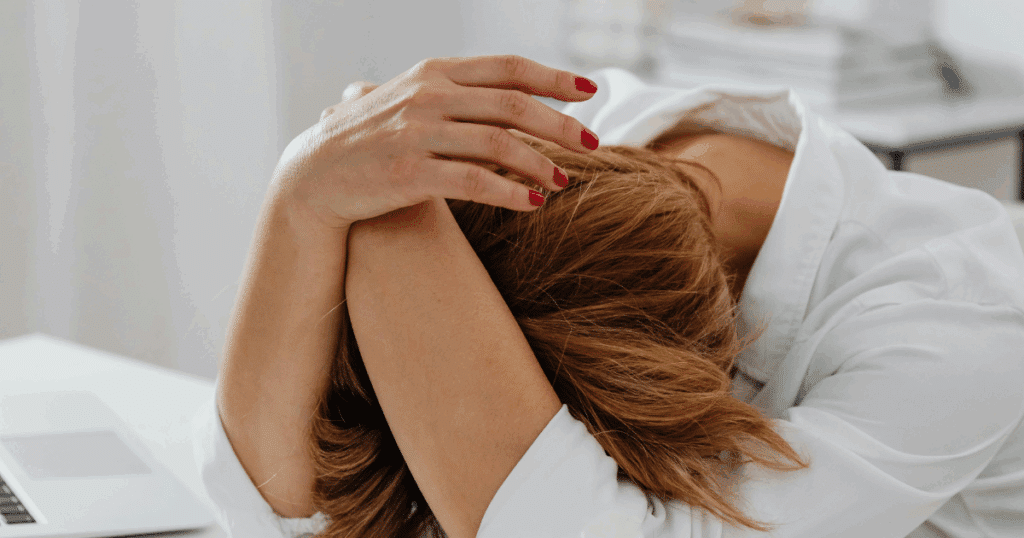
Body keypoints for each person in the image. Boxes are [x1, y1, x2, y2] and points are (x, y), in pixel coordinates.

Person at [191, 55, 1024, 538]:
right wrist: (306, 190)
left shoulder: (960, 334)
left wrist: (375, 212)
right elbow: (266, 509)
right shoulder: (568, 141)